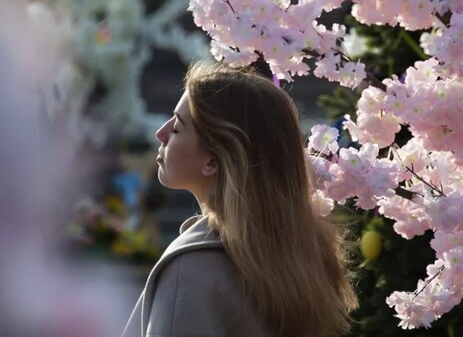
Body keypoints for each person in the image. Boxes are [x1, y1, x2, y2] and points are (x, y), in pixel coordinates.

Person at [122, 61, 358, 337]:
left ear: (212, 161)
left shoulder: (190, 272)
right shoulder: (303, 258)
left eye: (177, 128)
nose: (160, 133)